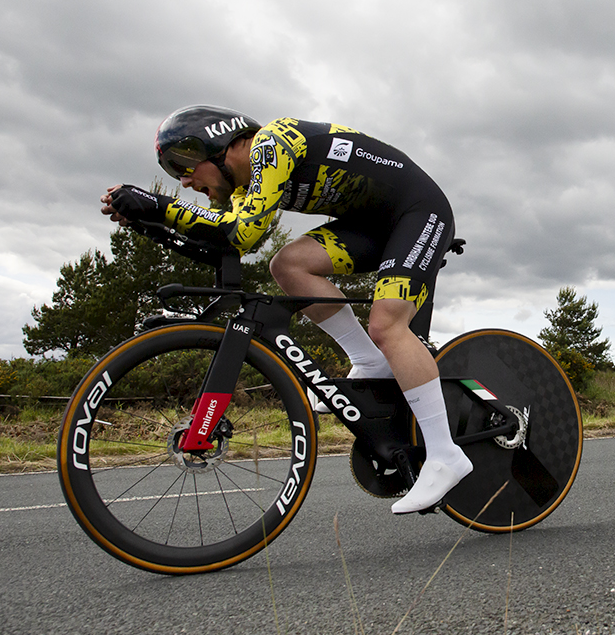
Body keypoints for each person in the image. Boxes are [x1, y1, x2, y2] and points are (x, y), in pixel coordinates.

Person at [100, 105, 472, 514]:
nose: (184, 182)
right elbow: (221, 244)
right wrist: (149, 224)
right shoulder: (244, 189)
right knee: (288, 265)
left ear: (218, 146)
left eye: (183, 167)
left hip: (418, 212)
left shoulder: (272, 144)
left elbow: (241, 232)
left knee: (387, 323)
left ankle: (444, 455)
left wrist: (157, 205)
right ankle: (369, 361)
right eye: (174, 175)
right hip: (371, 224)